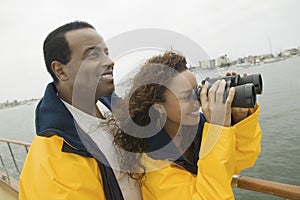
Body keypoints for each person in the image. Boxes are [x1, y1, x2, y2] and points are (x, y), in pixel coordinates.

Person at [113, 51, 262, 199]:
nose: (197, 102)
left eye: (198, 92)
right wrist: (217, 131)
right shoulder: (150, 160)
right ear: (159, 107)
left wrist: (239, 119)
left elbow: (240, 161)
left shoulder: (198, 127)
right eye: (186, 97)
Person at [19, 21, 141, 200]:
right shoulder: (55, 155)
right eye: (92, 55)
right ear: (60, 71)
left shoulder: (119, 112)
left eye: (106, 53)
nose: (109, 62)